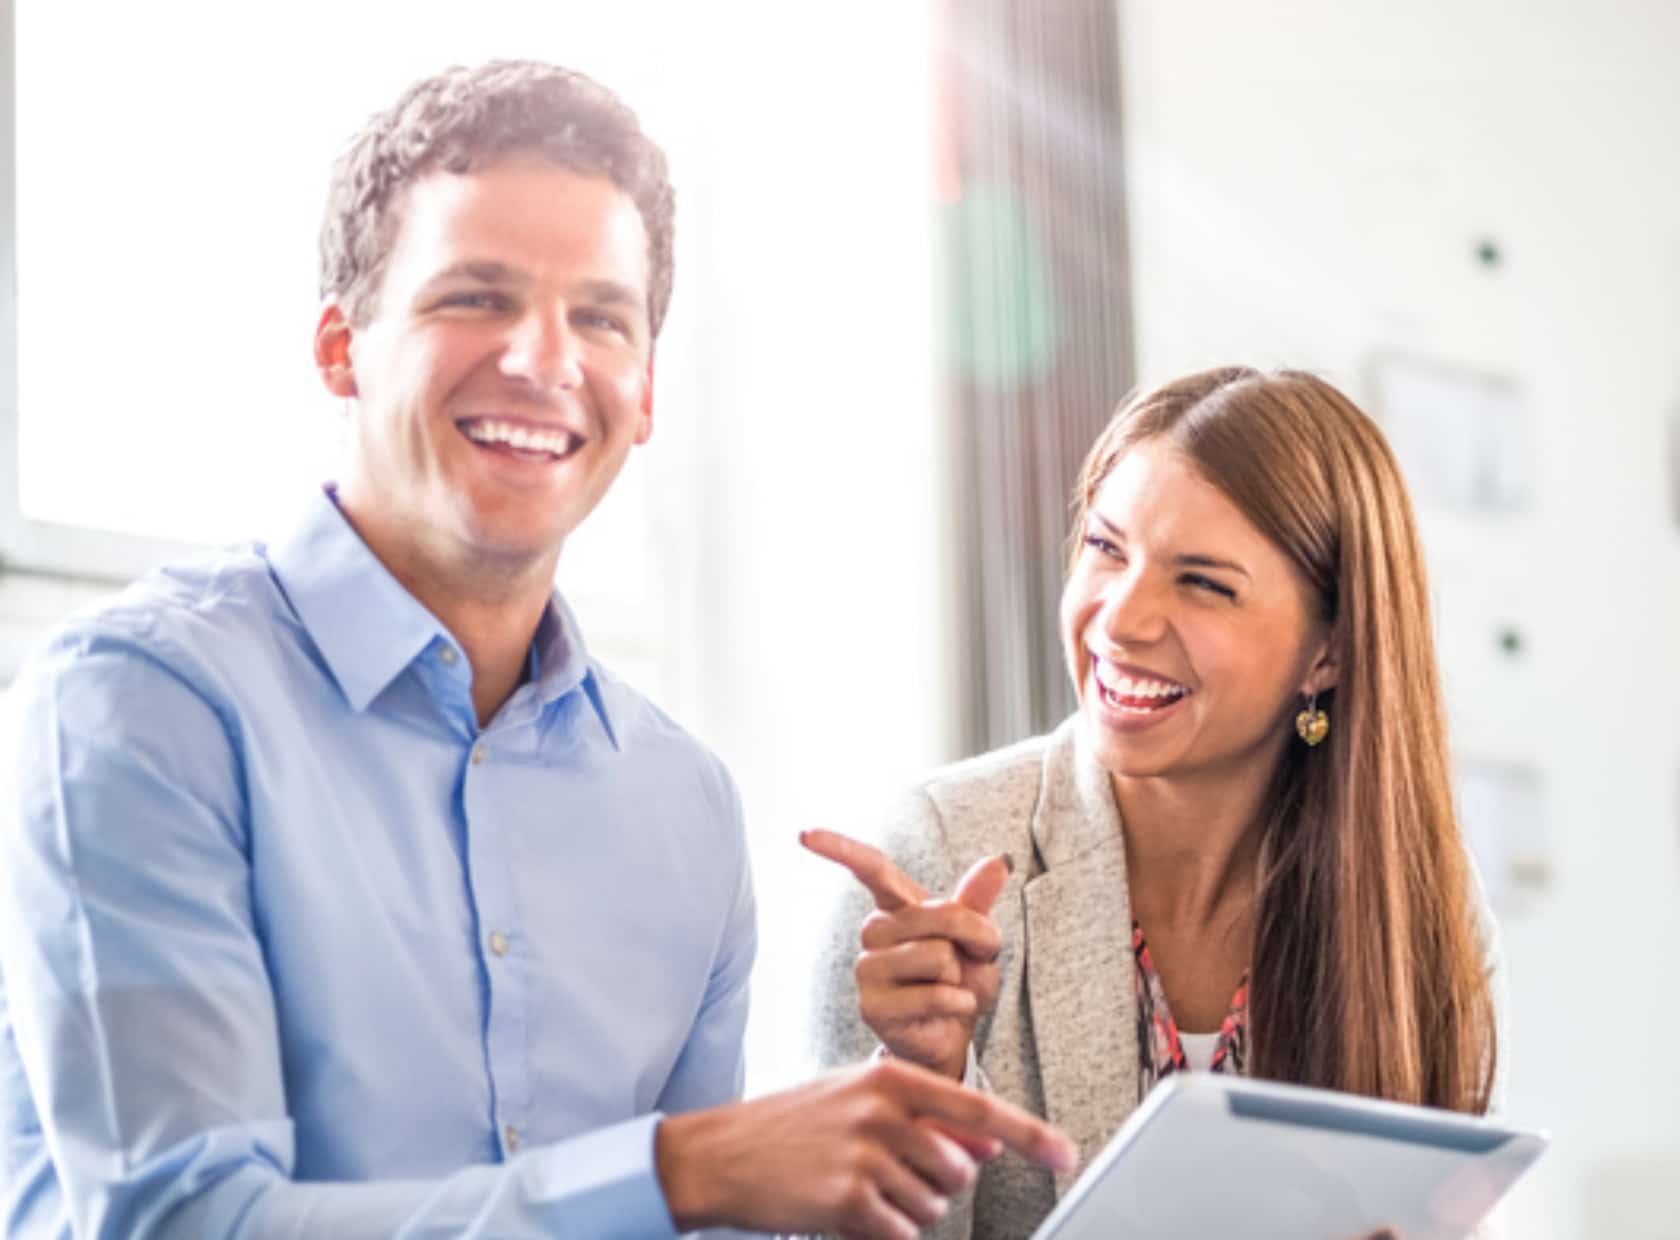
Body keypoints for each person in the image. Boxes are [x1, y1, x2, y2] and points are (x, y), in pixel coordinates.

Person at [0, 61, 1075, 1240]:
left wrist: (887, 1127)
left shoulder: (686, 805)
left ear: (648, 389)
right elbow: (173, 1221)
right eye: (476, 297)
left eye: (602, 317)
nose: (544, 359)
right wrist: (681, 1171)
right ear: (338, 349)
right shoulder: (139, 706)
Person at [807, 367, 1507, 1239]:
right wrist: (925, 1085)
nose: (1121, 620)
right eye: (1106, 548)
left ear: (1326, 656)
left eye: (1203, 583)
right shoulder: (942, 853)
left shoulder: (1426, 907)